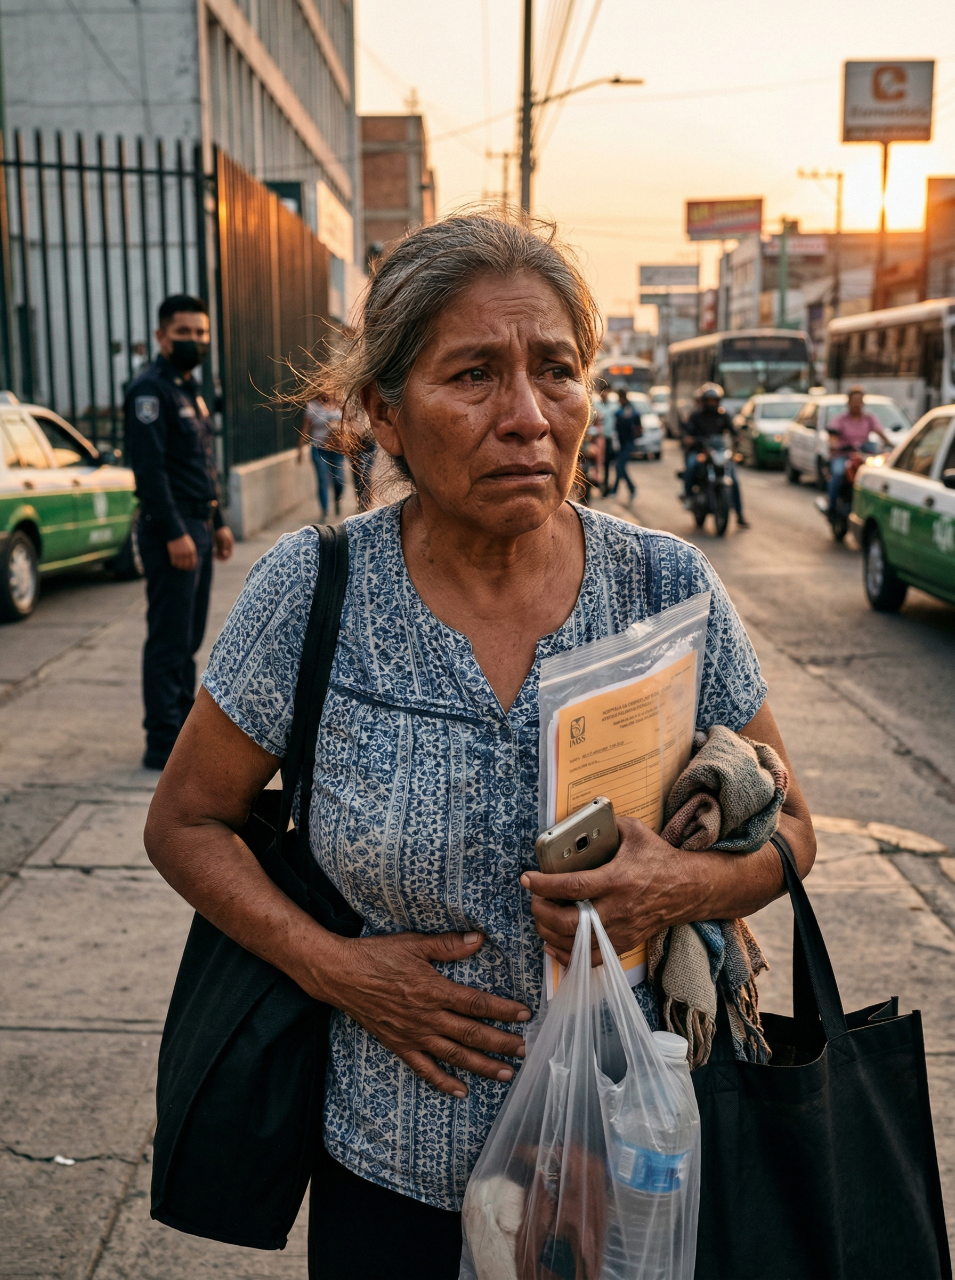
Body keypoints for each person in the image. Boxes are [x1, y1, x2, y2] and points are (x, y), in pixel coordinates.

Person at [144, 212, 815, 1280]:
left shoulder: (663, 586)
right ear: (384, 414)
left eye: (557, 370)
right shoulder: (315, 590)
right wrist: (338, 968)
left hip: (630, 1167)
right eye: (472, 375)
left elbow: (793, 832)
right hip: (391, 1169)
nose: (527, 417)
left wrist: (675, 886)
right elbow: (186, 820)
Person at [125, 294, 234, 771]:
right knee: (169, 635)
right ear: (161, 337)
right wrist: (174, 532)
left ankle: (178, 722)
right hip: (172, 527)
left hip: (198, 522)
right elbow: (150, 472)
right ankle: (161, 739)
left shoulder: (189, 388)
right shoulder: (149, 391)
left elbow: (201, 465)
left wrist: (219, 521)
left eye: (201, 333)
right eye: (184, 333)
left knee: (188, 634)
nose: (195, 341)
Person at [682, 383, 749, 527]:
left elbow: (732, 429)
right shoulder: (696, 415)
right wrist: (690, 439)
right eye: (709, 400)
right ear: (705, 400)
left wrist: (737, 437)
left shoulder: (723, 415)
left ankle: (739, 514)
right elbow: (687, 432)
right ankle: (688, 496)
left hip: (718, 452)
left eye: (714, 400)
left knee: (734, 480)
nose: (712, 403)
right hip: (701, 451)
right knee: (691, 466)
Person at [826, 386, 892, 515]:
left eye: (859, 401)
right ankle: (832, 507)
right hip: (844, 456)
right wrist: (834, 445)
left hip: (863, 456)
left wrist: (891, 445)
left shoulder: (869, 418)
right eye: (854, 401)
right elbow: (833, 437)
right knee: (838, 473)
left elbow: (880, 433)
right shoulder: (840, 419)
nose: (856, 404)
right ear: (849, 402)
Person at [297, 395, 345, 518]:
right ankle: (324, 510)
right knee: (322, 479)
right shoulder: (312, 406)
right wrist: (300, 449)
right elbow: (305, 428)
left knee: (339, 480)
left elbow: (348, 423)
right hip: (319, 448)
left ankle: (337, 500)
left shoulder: (339, 403)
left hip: (337, 449)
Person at [612, 387, 641, 502]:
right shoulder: (621, 410)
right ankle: (621, 489)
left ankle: (621, 489)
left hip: (629, 443)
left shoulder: (630, 411)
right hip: (622, 443)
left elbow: (637, 425)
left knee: (620, 466)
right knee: (620, 467)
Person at [593, 385, 617, 494]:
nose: (605, 394)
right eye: (603, 392)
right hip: (596, 438)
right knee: (596, 462)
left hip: (608, 438)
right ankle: (596, 482)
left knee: (607, 463)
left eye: (607, 392)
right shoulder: (595, 405)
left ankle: (605, 487)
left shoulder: (613, 406)